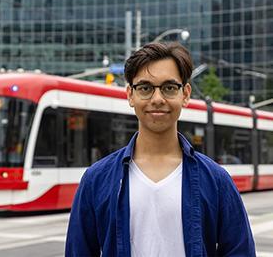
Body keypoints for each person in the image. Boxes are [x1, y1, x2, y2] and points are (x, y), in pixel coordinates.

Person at [65, 42, 255, 256]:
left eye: (169, 88)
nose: (157, 99)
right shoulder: (96, 180)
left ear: (185, 94)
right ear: (130, 94)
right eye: (145, 88)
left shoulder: (217, 181)